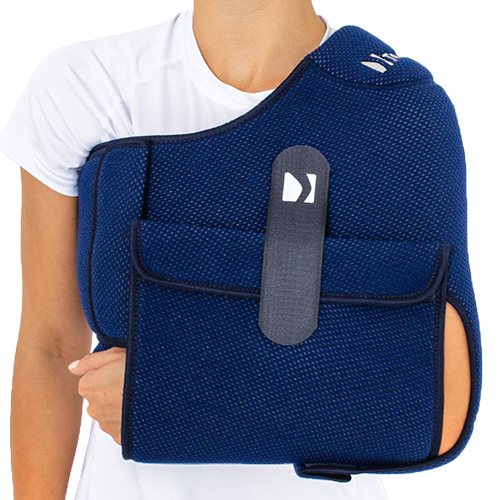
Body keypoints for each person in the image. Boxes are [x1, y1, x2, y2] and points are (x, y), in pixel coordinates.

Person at [0, 1, 398, 498]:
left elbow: (416, 390)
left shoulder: (392, 105)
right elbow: (52, 345)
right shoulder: (85, 85)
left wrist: (172, 397)